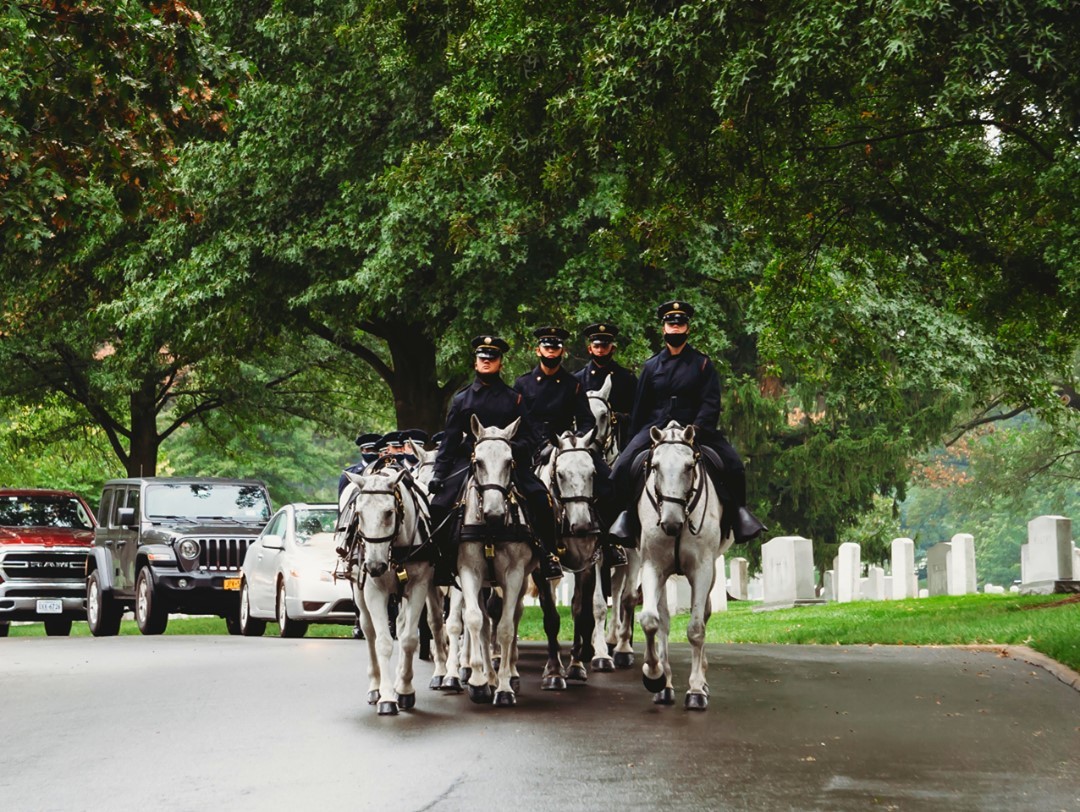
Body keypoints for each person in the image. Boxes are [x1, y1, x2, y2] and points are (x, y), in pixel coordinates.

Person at [610, 300, 766, 545]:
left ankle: (739, 515)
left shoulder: (702, 364)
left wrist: (698, 428)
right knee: (621, 468)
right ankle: (627, 519)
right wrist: (634, 439)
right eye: (671, 324)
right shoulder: (651, 366)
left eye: (680, 324)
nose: (675, 328)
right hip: (656, 429)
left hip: (694, 429)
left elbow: (711, 402)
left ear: (687, 329)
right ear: (663, 329)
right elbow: (640, 407)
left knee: (735, 466)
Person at [427, 335, 564, 581]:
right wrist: (439, 474)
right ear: (475, 362)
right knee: (437, 506)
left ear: (501, 363)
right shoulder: (462, 399)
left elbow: (530, 437)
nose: (487, 362)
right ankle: (441, 561)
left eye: (492, 358)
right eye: (482, 358)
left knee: (542, 499)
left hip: (507, 463)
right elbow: (449, 441)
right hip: (470, 462)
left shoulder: (515, 398)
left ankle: (549, 555)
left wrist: (508, 447)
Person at [515, 326, 626, 566]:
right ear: (538, 350)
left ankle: (609, 542)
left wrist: (577, 440)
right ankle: (537, 547)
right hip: (534, 448)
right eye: (547, 347)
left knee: (609, 483)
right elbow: (520, 420)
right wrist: (540, 443)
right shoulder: (522, 384)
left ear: (562, 351)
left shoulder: (572, 384)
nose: (551, 351)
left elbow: (586, 419)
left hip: (569, 446)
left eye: (555, 347)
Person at [574, 322, 638, 449]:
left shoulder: (627, 378)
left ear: (612, 348)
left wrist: (620, 417)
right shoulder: (578, 379)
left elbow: (637, 411)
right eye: (596, 346)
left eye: (604, 346)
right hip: (585, 441)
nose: (600, 350)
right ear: (589, 349)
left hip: (622, 440)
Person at [338, 432, 382, 498]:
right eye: (368, 450)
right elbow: (343, 500)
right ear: (361, 450)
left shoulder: (385, 471)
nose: (372, 452)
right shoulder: (349, 474)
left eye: (375, 450)